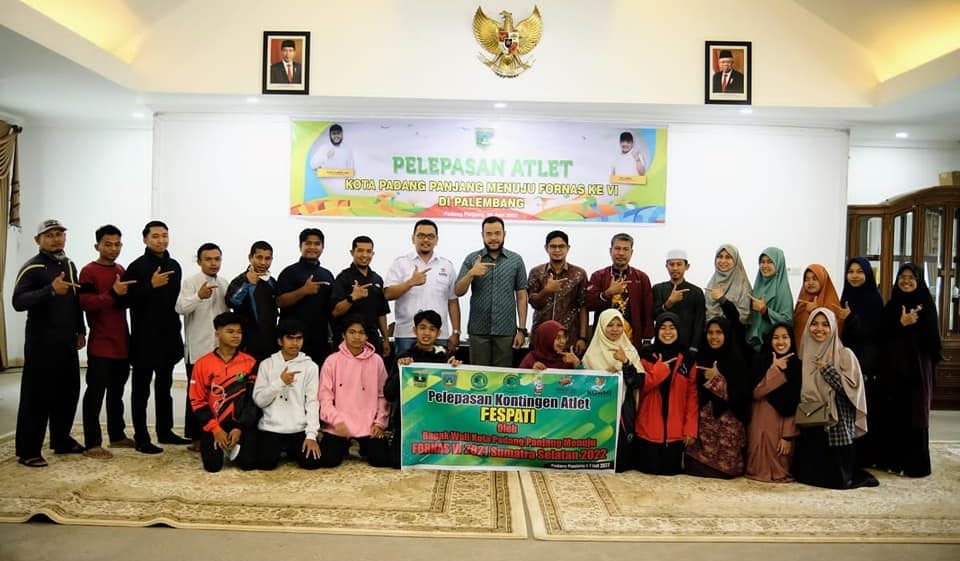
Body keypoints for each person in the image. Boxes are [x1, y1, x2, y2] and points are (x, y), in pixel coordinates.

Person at [12, 219, 86, 467]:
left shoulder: (69, 264)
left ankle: (61, 440)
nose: (56, 239)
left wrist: (80, 330)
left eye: (59, 234)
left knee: (68, 393)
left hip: (67, 342)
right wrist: (50, 290)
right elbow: (18, 301)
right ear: (38, 240)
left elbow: (75, 300)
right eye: (50, 235)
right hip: (41, 343)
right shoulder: (32, 267)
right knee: (37, 397)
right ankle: (28, 450)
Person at [122, 220, 189, 454]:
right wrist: (150, 285)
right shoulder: (136, 267)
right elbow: (126, 300)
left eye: (164, 235)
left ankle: (165, 431)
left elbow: (176, 302)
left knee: (164, 387)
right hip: (144, 338)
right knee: (141, 389)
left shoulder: (175, 266)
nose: (161, 240)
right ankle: (141, 437)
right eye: (156, 236)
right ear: (145, 239)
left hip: (168, 336)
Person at [792, 308, 877, 489]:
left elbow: (852, 391)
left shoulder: (844, 354)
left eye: (825, 325)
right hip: (811, 418)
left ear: (833, 328)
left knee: (837, 479)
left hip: (836, 422)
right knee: (807, 475)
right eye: (814, 324)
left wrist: (827, 370)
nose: (819, 329)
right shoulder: (805, 354)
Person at [78, 224, 136, 459]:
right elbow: (86, 303)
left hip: (122, 342)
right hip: (100, 343)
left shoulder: (121, 269)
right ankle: (92, 443)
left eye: (117, 244)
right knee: (95, 394)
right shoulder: (88, 271)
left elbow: (125, 302)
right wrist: (113, 293)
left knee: (117, 393)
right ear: (97, 246)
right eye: (108, 244)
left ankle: (117, 435)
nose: (114, 249)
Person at [878, 263, 941, 477]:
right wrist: (901, 324)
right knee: (894, 413)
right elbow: (881, 336)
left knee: (915, 414)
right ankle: (894, 462)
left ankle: (916, 466)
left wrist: (914, 326)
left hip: (917, 371)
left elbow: (933, 342)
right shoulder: (892, 306)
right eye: (902, 277)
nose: (906, 281)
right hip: (893, 370)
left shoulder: (927, 306)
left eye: (911, 277)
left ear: (919, 281)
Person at [386, 309, 462, 468]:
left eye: (432, 329)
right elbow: (388, 394)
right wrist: (400, 372)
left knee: (445, 462)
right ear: (415, 330)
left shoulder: (444, 359)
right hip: (409, 424)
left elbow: (457, 397)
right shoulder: (404, 357)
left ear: (438, 333)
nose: (427, 333)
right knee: (396, 463)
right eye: (422, 328)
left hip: (437, 423)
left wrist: (458, 371)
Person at [317, 315, 391, 468]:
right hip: (339, 425)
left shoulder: (377, 361)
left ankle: (363, 447)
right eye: (352, 332)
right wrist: (336, 421)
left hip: (369, 425)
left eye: (361, 332)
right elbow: (324, 397)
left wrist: (379, 423)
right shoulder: (332, 361)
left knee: (381, 460)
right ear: (343, 335)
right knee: (328, 461)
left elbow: (382, 395)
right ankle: (344, 445)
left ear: (367, 336)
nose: (357, 337)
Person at [175, 243, 229, 451]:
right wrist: (199, 296)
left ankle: (216, 433)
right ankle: (196, 438)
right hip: (198, 349)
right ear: (199, 261)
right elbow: (180, 308)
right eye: (208, 259)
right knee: (196, 396)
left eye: (217, 259)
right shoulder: (190, 282)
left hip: (220, 350)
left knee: (218, 395)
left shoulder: (224, 283)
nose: (213, 263)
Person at [189, 312, 259, 472]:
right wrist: (215, 429)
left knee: (248, 464)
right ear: (217, 334)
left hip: (240, 424)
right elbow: (197, 400)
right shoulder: (202, 364)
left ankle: (237, 445)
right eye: (230, 331)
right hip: (214, 424)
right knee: (213, 467)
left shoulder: (250, 362)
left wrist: (240, 427)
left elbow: (252, 400)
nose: (236, 336)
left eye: (239, 332)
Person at [455, 216, 528, 367]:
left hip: (506, 331)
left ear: (504, 234)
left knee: (502, 377)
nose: (493, 238)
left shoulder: (516, 260)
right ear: (482, 235)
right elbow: (458, 291)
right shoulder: (472, 259)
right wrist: (471, 273)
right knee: (478, 376)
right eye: (489, 234)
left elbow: (522, 297)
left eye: (497, 233)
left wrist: (521, 330)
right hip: (478, 331)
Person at [631, 312, 698, 475]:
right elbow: (641, 387)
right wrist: (660, 370)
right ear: (656, 330)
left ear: (679, 330)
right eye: (663, 328)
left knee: (671, 479)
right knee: (645, 478)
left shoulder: (688, 358)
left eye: (672, 327)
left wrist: (690, 428)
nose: (667, 332)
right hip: (647, 432)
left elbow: (692, 396)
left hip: (675, 434)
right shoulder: (646, 355)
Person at [251, 319, 322, 470]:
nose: (295, 343)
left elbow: (312, 402)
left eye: (299, 338)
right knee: (265, 464)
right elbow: (259, 401)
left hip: (298, 428)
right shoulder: (266, 365)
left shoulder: (310, 367)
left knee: (312, 463)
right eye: (290, 338)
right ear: (280, 341)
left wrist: (311, 435)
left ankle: (292, 450)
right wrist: (280, 382)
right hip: (271, 428)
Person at [384, 219, 461, 358]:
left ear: (436, 240)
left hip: (438, 334)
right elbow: (388, 294)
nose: (426, 239)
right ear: (413, 238)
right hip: (407, 334)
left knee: (437, 371)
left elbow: (453, 301)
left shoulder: (447, 265)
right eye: (421, 235)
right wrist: (410, 282)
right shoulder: (401, 263)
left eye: (430, 236)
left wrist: (456, 332)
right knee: (404, 371)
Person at [684, 317, 749, 479]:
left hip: (728, 430)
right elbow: (693, 393)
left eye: (719, 332)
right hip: (703, 431)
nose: (714, 337)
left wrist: (717, 379)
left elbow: (742, 398)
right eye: (710, 332)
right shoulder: (701, 357)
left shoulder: (737, 361)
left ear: (727, 334)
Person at [582, 308, 642, 472]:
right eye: (610, 325)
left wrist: (625, 363)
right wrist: (603, 377)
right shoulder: (591, 353)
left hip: (624, 407)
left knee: (622, 456)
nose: (615, 329)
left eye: (618, 325)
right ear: (601, 326)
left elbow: (638, 382)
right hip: (599, 408)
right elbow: (584, 385)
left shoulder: (629, 350)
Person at [838, 257, 883, 469]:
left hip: (867, 362)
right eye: (851, 271)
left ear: (867, 274)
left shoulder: (874, 299)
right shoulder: (846, 296)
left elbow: (875, 333)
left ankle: (867, 457)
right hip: (847, 360)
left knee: (864, 406)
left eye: (859, 271)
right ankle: (851, 453)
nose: (854, 276)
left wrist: (851, 318)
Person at [746, 324, 801, 483]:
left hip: (782, 426)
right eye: (776, 337)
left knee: (780, 465)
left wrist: (787, 436)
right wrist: (774, 369)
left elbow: (794, 403)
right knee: (756, 466)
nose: (780, 342)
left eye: (785, 337)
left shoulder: (797, 366)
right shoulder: (761, 361)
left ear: (791, 340)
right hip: (758, 422)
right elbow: (755, 393)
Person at [585, 233, 654, 350]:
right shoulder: (599, 276)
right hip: (604, 339)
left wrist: (647, 338)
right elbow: (589, 304)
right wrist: (607, 294)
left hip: (632, 340)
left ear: (631, 252)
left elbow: (648, 310)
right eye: (617, 248)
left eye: (625, 249)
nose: (621, 253)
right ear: (610, 251)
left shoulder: (641, 278)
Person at [276, 228, 335, 364]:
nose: (312, 247)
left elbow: (332, 308)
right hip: (293, 340)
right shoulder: (289, 272)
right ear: (300, 246)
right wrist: (303, 291)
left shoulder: (327, 274)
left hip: (320, 340)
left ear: (322, 247)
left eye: (317, 244)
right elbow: (279, 302)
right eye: (308, 243)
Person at [527, 230, 588, 355]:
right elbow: (533, 303)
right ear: (546, 248)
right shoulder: (536, 272)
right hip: (540, 338)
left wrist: (582, 338)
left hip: (568, 339)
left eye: (561, 246)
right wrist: (546, 291)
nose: (557, 250)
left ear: (568, 248)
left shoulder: (579, 274)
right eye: (553, 246)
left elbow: (583, 306)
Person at [331, 236, 391, 357]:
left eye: (368, 251)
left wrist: (385, 339)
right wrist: (352, 297)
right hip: (349, 339)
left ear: (373, 254)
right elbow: (335, 311)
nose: (364, 255)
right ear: (352, 252)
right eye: (360, 250)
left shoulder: (377, 279)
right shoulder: (343, 278)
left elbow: (381, 313)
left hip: (372, 337)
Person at [226, 241, 278, 361]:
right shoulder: (240, 280)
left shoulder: (271, 282)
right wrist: (247, 283)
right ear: (250, 257)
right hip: (246, 344)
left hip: (270, 342)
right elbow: (231, 302)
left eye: (267, 258)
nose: (263, 262)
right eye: (259, 257)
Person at [652, 249, 705, 359]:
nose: (675, 268)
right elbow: (652, 316)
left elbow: (699, 322)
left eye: (679, 264)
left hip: (688, 347)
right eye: (671, 264)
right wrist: (668, 304)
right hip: (662, 347)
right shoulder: (658, 289)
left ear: (687, 266)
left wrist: (694, 347)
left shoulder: (696, 292)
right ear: (666, 266)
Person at [745, 247, 793, 352]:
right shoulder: (758, 286)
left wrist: (766, 311)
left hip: (773, 346)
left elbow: (787, 321)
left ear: (778, 264)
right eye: (762, 262)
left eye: (770, 262)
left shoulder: (782, 290)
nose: (765, 265)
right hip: (753, 346)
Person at [794, 264, 843, 349]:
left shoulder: (831, 303)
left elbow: (836, 330)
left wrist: (816, 311)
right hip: (801, 351)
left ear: (823, 279)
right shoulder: (801, 302)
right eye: (807, 279)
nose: (810, 282)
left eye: (814, 279)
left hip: (823, 352)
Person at [704, 244, 752, 326]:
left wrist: (722, 299)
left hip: (735, 332)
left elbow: (743, 317)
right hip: (712, 332)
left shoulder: (743, 286)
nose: (723, 261)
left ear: (735, 260)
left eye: (728, 257)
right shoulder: (711, 284)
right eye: (720, 257)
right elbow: (706, 314)